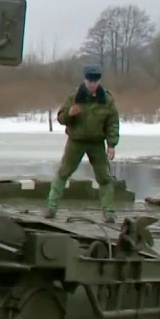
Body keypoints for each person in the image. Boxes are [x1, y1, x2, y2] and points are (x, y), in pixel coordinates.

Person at [45, 64, 120, 223]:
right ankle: (51, 207)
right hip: (76, 141)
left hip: (96, 143)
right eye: (90, 81)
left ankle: (109, 211)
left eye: (95, 81)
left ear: (99, 81)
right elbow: (61, 118)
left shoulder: (107, 99)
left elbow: (112, 123)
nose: (92, 84)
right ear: (85, 80)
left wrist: (111, 144)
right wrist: (70, 114)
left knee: (104, 177)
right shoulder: (74, 96)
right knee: (63, 173)